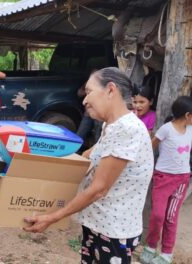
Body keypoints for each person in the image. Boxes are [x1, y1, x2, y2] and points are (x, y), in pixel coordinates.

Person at [23, 67, 154, 264]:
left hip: (113, 231)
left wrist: (52, 217)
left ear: (110, 90)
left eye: (89, 92)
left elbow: (99, 188)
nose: (84, 100)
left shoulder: (127, 129)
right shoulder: (110, 125)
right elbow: (88, 156)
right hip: (97, 223)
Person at [140, 96, 192, 264]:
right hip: (163, 178)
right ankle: (151, 246)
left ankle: (167, 253)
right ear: (187, 115)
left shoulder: (191, 130)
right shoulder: (166, 129)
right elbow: (150, 147)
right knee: (157, 215)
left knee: (171, 217)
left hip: (182, 179)